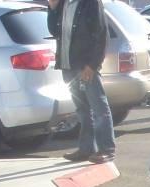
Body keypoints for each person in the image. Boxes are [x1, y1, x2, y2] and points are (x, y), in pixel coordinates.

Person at [47, 0, 115, 163]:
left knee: (99, 107)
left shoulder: (90, 3)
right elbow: (54, 30)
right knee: (82, 110)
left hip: (85, 65)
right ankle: (86, 149)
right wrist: (53, 8)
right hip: (68, 65)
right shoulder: (63, 4)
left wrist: (92, 65)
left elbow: (101, 34)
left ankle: (107, 149)